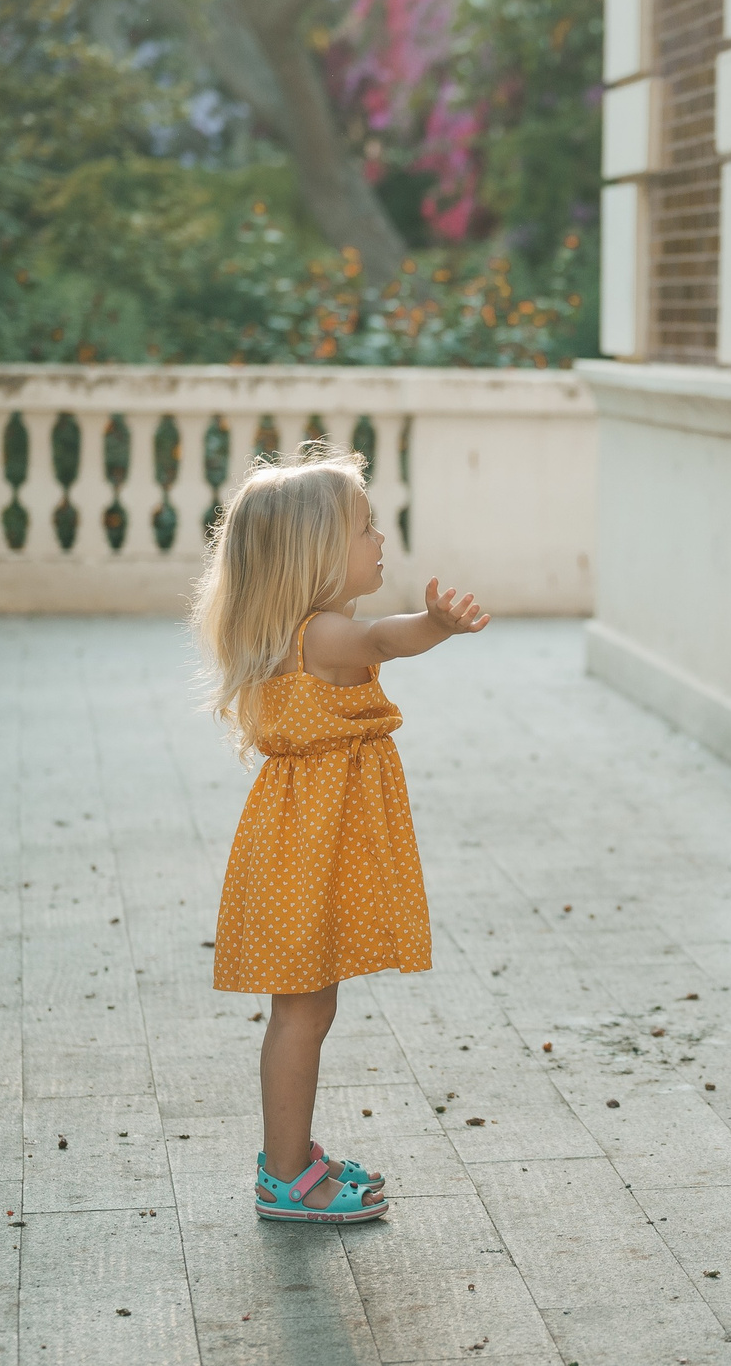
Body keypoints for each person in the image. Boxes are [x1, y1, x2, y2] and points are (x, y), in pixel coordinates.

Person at [190, 445, 490, 1221]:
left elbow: (374, 641)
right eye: (365, 527)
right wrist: (435, 623)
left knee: (308, 1010)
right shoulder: (320, 636)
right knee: (302, 1013)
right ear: (317, 552)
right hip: (306, 850)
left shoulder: (304, 632)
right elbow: (383, 641)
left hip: (309, 843)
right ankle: (286, 1177)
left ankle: (291, 1159)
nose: (380, 539)